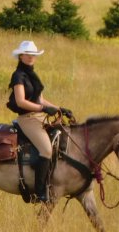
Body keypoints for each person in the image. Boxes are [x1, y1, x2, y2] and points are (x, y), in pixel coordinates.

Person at [6, 40, 71, 202]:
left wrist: (59, 109)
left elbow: (40, 99)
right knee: (46, 150)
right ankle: (40, 192)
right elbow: (21, 101)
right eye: (28, 55)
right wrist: (42, 109)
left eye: (33, 55)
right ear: (21, 56)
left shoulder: (32, 75)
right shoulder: (18, 76)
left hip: (38, 116)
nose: (31, 57)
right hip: (27, 119)